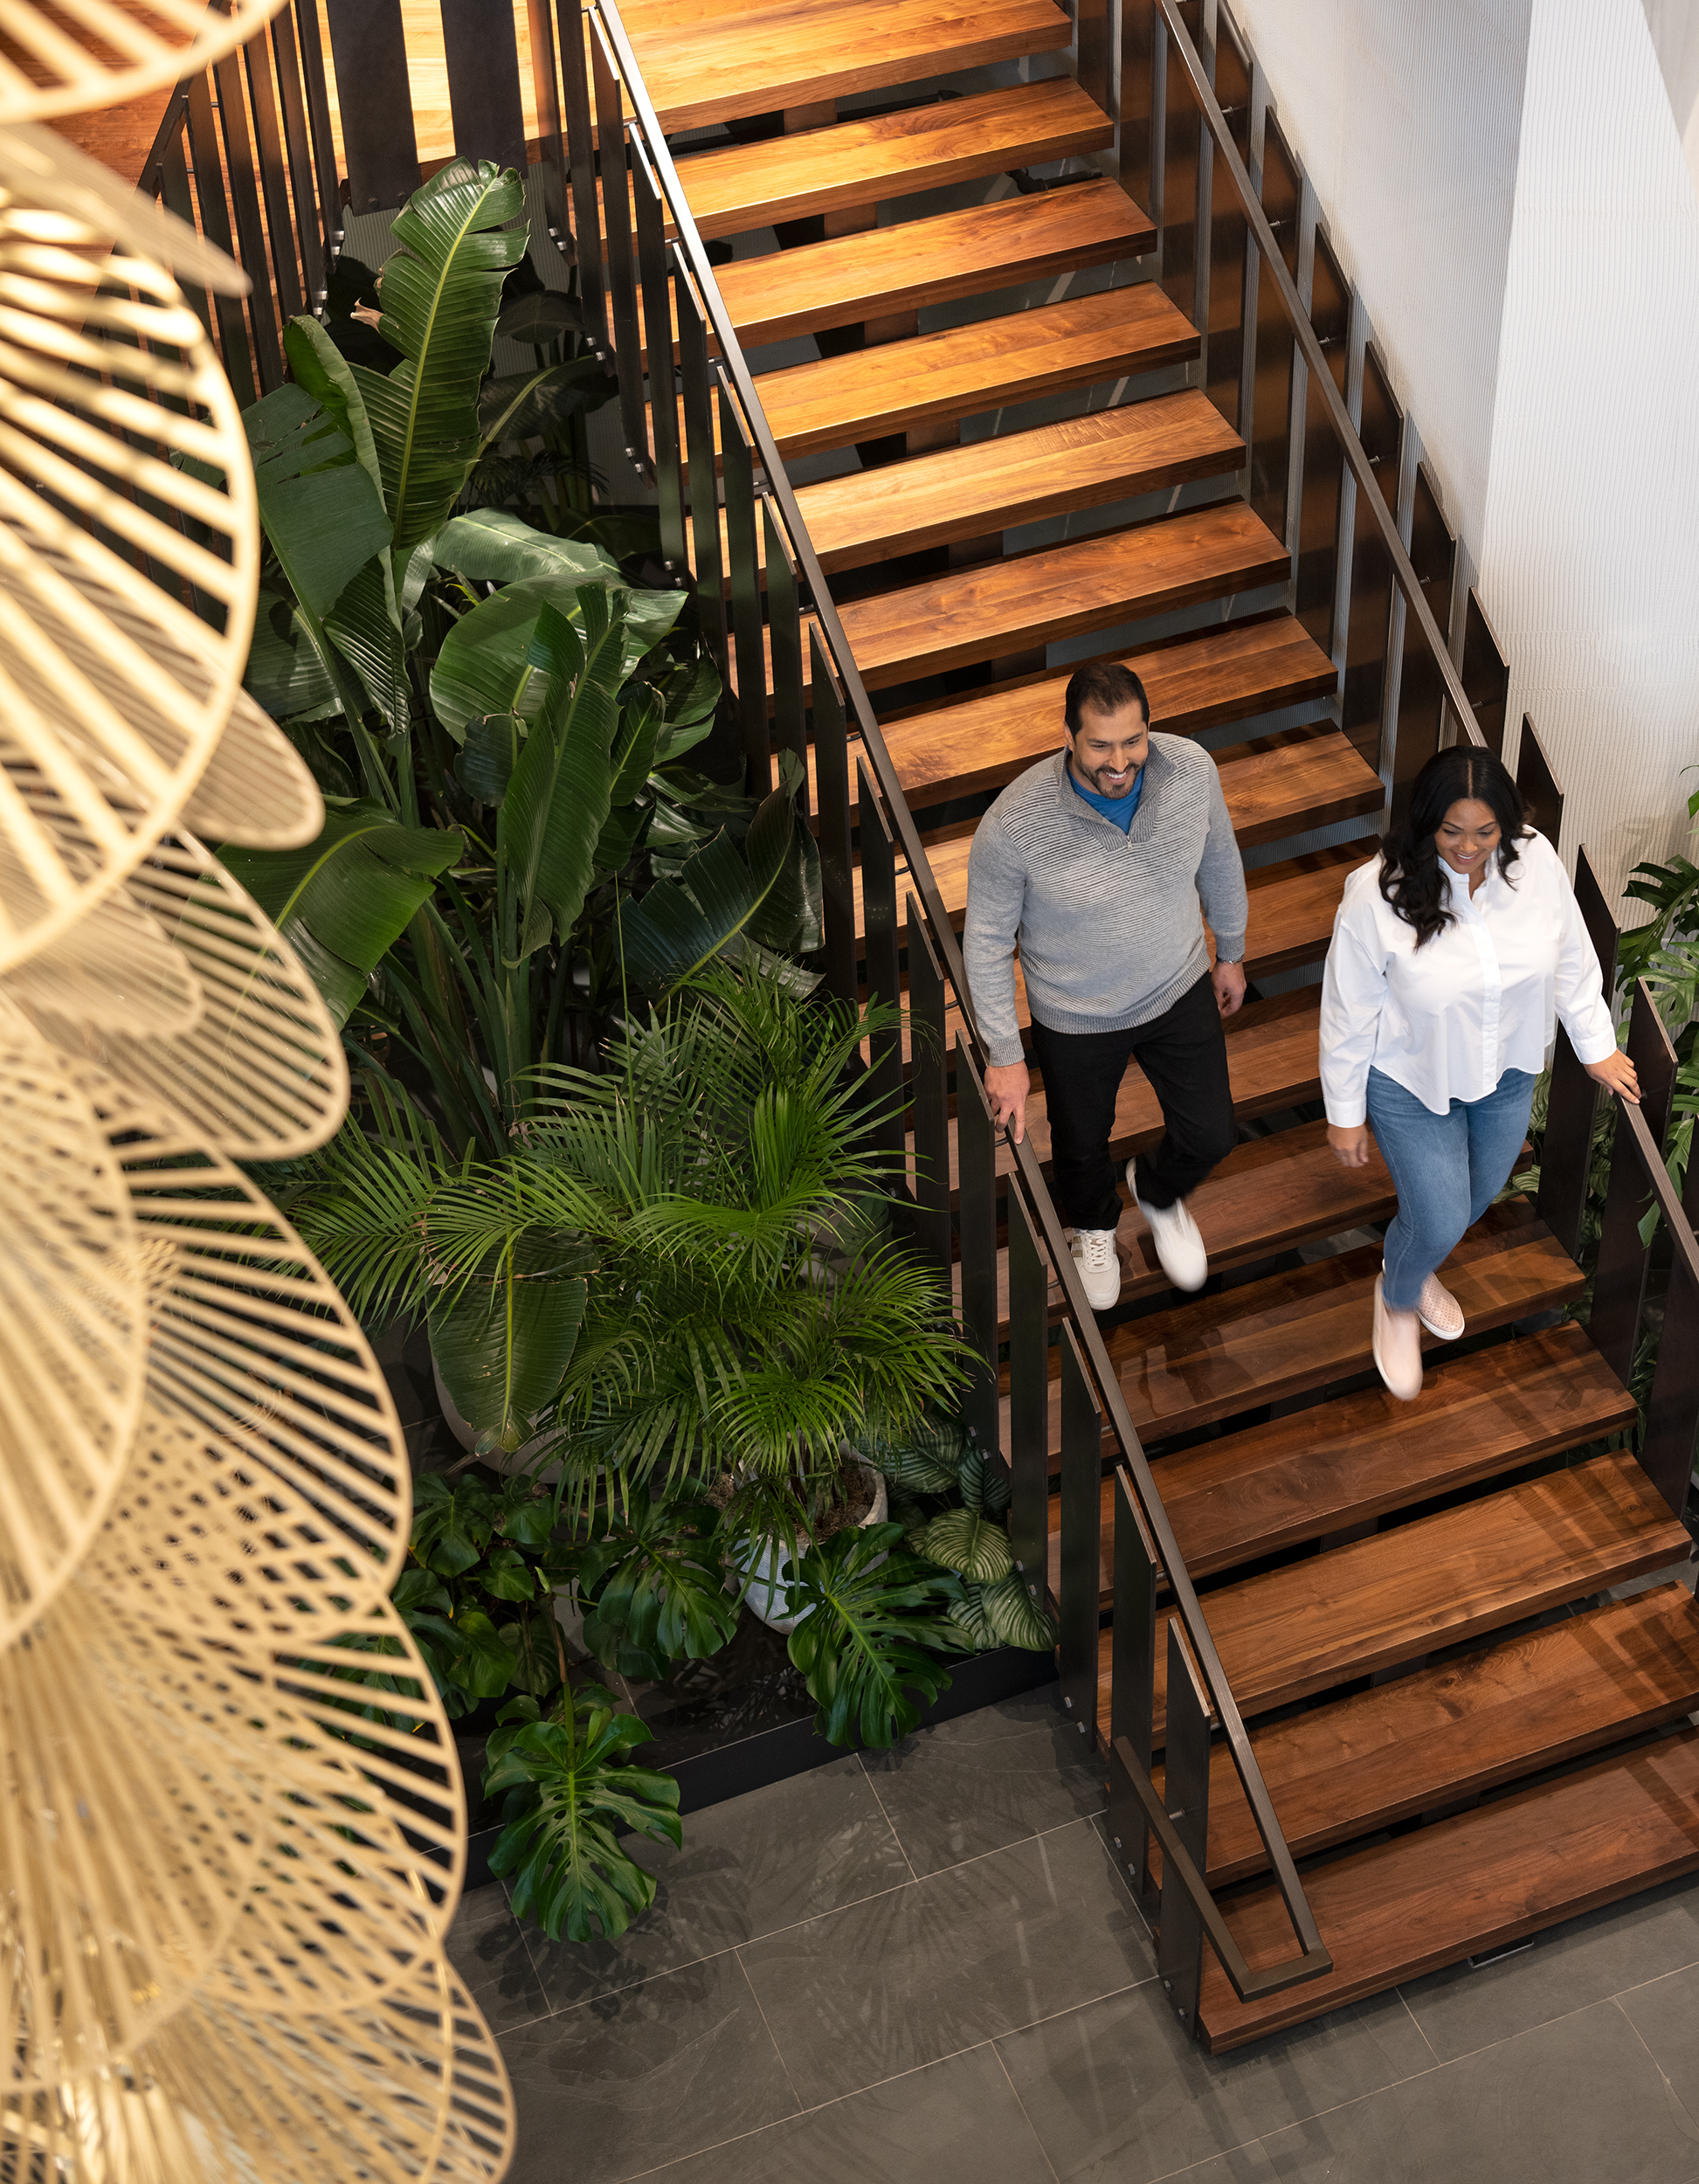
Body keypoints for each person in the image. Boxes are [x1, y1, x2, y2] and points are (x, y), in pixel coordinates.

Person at [1320, 744, 1640, 1401]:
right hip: (1412, 1081)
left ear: (1506, 823)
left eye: (1485, 831)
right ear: (1425, 823)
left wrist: (1594, 1044)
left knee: (1470, 1199)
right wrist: (1343, 1111)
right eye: (1451, 831)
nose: (1468, 847)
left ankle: (1413, 1257)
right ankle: (1399, 1296)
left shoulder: (1535, 861)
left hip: (1506, 1071)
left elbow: (1572, 955)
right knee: (1437, 1219)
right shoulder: (1375, 894)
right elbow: (1346, 1011)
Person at [963, 660, 1248, 1310]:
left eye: (1132, 740)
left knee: (1210, 1135)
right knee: (1080, 1144)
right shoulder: (1014, 824)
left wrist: (1229, 950)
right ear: (1068, 736)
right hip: (1074, 1014)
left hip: (1178, 985)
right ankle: (1092, 1228)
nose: (1118, 761)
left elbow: (1219, 856)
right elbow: (983, 943)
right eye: (1099, 743)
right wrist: (1004, 1053)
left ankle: (1157, 1190)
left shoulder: (1191, 771)